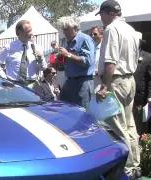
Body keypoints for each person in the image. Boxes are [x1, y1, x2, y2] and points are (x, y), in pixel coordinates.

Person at [95, 0, 141, 178]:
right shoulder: (129, 29)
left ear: (107, 13)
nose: (102, 19)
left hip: (116, 80)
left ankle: (127, 167)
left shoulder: (112, 29)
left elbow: (110, 61)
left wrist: (105, 85)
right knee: (130, 125)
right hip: (130, 79)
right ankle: (134, 165)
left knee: (117, 126)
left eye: (102, 15)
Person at [0, 20, 46, 87]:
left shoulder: (36, 47)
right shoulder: (9, 47)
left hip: (33, 87)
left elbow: (43, 68)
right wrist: (4, 78)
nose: (31, 33)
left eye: (31, 30)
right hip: (14, 86)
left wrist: (40, 60)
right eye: (28, 31)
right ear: (20, 32)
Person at [57, 16, 95, 108]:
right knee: (64, 111)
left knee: (81, 113)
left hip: (82, 84)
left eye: (66, 29)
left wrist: (68, 55)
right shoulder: (69, 42)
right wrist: (58, 62)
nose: (64, 32)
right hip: (69, 82)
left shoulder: (85, 39)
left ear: (75, 28)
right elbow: (67, 64)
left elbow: (87, 62)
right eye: (63, 30)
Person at [133, 32, 151, 136]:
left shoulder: (148, 57)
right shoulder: (126, 56)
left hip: (141, 97)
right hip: (128, 96)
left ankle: (141, 145)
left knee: (140, 123)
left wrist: (150, 96)